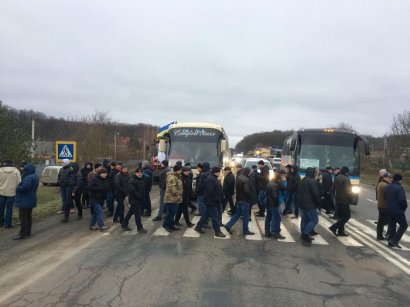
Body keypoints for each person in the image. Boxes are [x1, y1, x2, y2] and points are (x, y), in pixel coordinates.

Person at [195, 167, 225, 237]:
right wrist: (216, 200)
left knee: (206, 215)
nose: (220, 173)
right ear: (216, 172)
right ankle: (217, 232)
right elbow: (210, 192)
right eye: (219, 172)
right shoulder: (211, 179)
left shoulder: (212, 178)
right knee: (215, 217)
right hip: (212, 202)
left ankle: (198, 227)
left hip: (212, 201)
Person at [224, 167, 254, 236]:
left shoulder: (239, 177)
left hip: (239, 199)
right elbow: (247, 191)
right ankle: (245, 230)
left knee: (237, 214)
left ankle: (228, 225)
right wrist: (250, 196)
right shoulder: (246, 179)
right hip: (245, 200)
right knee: (246, 216)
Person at [13, 163, 39, 240]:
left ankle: (22, 233)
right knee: (28, 216)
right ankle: (27, 232)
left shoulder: (28, 178)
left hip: (25, 200)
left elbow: (25, 188)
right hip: (30, 199)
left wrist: (17, 188)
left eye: (24, 169)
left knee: (23, 217)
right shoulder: (34, 176)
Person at [297, 167, 322, 246]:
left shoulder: (302, 180)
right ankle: (305, 233)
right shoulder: (312, 182)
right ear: (313, 173)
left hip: (302, 204)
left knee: (304, 219)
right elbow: (316, 194)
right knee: (314, 220)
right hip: (310, 204)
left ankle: (303, 234)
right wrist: (319, 204)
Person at [329, 166, 353, 237]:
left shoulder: (337, 177)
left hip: (338, 200)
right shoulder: (346, 179)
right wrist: (351, 198)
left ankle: (341, 231)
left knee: (341, 216)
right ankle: (334, 227)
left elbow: (332, 188)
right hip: (345, 200)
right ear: (346, 172)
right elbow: (348, 191)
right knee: (347, 216)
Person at [385, 174, 408, 248]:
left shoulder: (388, 186)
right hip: (398, 211)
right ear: (400, 180)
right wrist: (404, 207)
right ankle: (394, 241)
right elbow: (402, 201)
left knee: (392, 225)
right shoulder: (399, 188)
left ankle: (390, 241)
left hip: (389, 209)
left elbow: (385, 197)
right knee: (404, 225)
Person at [122, 168, 147, 233]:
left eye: (141, 173)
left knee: (130, 213)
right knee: (137, 214)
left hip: (138, 200)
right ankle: (139, 227)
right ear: (135, 173)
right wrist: (139, 196)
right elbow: (132, 191)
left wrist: (143, 196)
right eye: (138, 173)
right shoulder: (132, 180)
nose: (140, 174)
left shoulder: (140, 179)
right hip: (134, 200)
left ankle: (124, 224)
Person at [265, 170, 287, 239]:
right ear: (278, 179)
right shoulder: (275, 185)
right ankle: (277, 234)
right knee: (277, 218)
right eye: (280, 179)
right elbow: (274, 196)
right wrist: (276, 203)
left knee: (268, 218)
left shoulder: (270, 182)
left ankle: (267, 232)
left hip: (268, 203)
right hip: (273, 204)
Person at [0, 159, 21, 228]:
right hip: (12, 193)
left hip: (1, 192)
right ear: (12, 164)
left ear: (4, 163)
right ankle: (7, 224)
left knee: (1, 209)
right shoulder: (16, 171)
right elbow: (19, 182)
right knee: (9, 209)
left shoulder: (0, 170)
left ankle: (0, 223)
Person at [88, 167, 110, 232]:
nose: (104, 174)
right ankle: (102, 226)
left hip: (101, 198)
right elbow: (89, 187)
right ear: (99, 174)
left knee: (95, 213)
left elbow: (107, 187)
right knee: (100, 212)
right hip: (94, 198)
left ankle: (92, 226)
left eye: (105, 173)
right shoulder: (94, 179)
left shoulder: (105, 180)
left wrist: (107, 189)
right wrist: (100, 188)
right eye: (103, 173)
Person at [162, 165, 183, 232]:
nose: (181, 171)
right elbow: (172, 188)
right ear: (177, 170)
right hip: (171, 199)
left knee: (173, 213)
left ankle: (171, 225)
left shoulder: (176, 176)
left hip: (174, 199)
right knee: (171, 213)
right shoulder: (172, 177)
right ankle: (166, 225)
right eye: (180, 170)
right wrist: (178, 195)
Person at [376, 172, 392, 240]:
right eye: (389, 178)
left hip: (380, 205)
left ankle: (379, 235)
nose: (390, 179)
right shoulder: (386, 185)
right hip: (384, 206)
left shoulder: (380, 183)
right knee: (386, 221)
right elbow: (389, 196)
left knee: (381, 221)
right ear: (384, 178)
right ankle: (383, 235)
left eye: (390, 178)